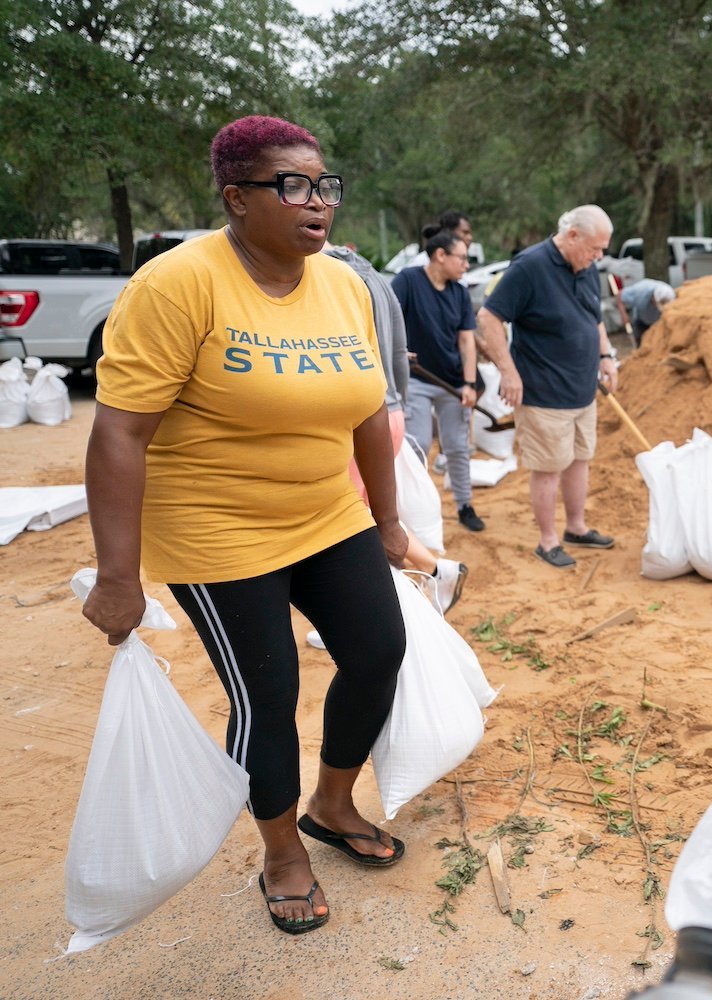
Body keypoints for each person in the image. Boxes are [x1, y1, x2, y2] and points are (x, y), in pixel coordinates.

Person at [82, 115, 408, 936]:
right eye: (292, 186)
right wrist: (120, 577)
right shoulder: (177, 285)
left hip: (327, 514)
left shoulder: (342, 284)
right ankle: (281, 854)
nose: (318, 203)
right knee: (267, 693)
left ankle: (332, 806)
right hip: (216, 528)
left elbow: (369, 410)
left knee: (378, 651)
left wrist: (389, 519)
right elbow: (119, 431)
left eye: (325, 185)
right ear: (236, 198)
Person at [323, 243, 467, 614]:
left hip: (360, 418)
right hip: (389, 413)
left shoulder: (324, 278)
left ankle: (379, 603)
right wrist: (397, 406)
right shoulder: (376, 277)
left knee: (351, 522)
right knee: (370, 513)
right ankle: (435, 572)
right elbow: (400, 355)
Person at [478, 205, 619, 569]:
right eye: (595, 248)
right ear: (572, 236)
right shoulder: (529, 267)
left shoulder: (587, 267)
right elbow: (489, 318)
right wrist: (508, 372)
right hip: (543, 392)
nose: (599, 256)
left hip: (582, 389)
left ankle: (576, 527)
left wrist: (606, 356)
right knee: (549, 467)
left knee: (579, 460)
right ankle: (548, 541)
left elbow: (594, 317)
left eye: (603, 249)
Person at [393, 226, 485, 532]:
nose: (466, 264)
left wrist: (470, 384)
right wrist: (397, 350)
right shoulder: (408, 280)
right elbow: (388, 317)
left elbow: (467, 342)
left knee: (457, 446)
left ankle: (464, 504)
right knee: (418, 444)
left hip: (453, 382)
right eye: (462, 258)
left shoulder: (460, 293)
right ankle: (417, 510)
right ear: (440, 255)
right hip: (417, 378)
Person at [407, 210, 473, 269]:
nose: (470, 238)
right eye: (465, 232)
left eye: (470, 233)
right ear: (449, 231)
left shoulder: (459, 268)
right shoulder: (421, 263)